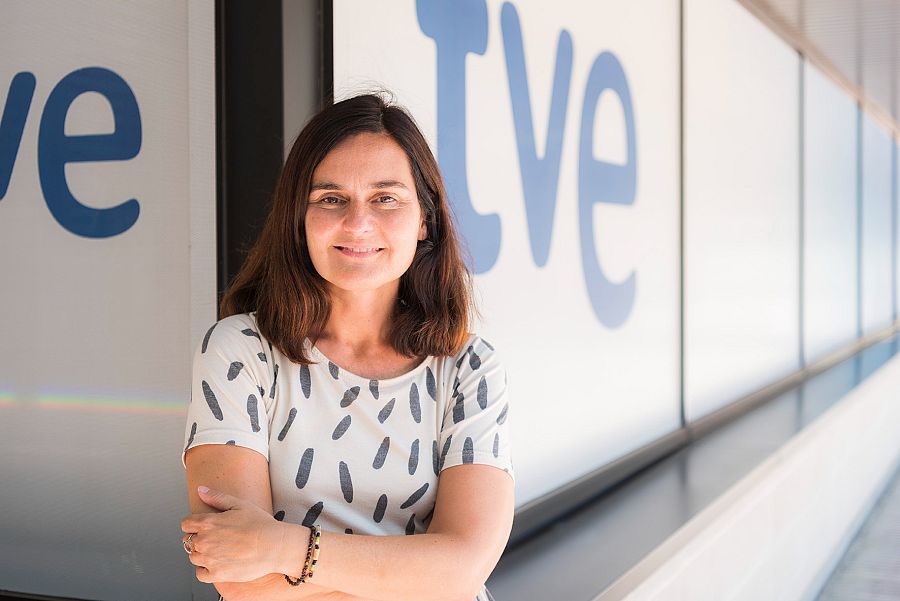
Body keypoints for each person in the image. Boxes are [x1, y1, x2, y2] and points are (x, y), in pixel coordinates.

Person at [180, 93, 515, 601]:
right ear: (300, 217)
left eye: (386, 198)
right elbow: (240, 581)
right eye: (331, 198)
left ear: (424, 219)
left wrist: (283, 549)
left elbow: (463, 569)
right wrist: (417, 573)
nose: (359, 223)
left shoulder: (469, 367)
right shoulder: (240, 351)